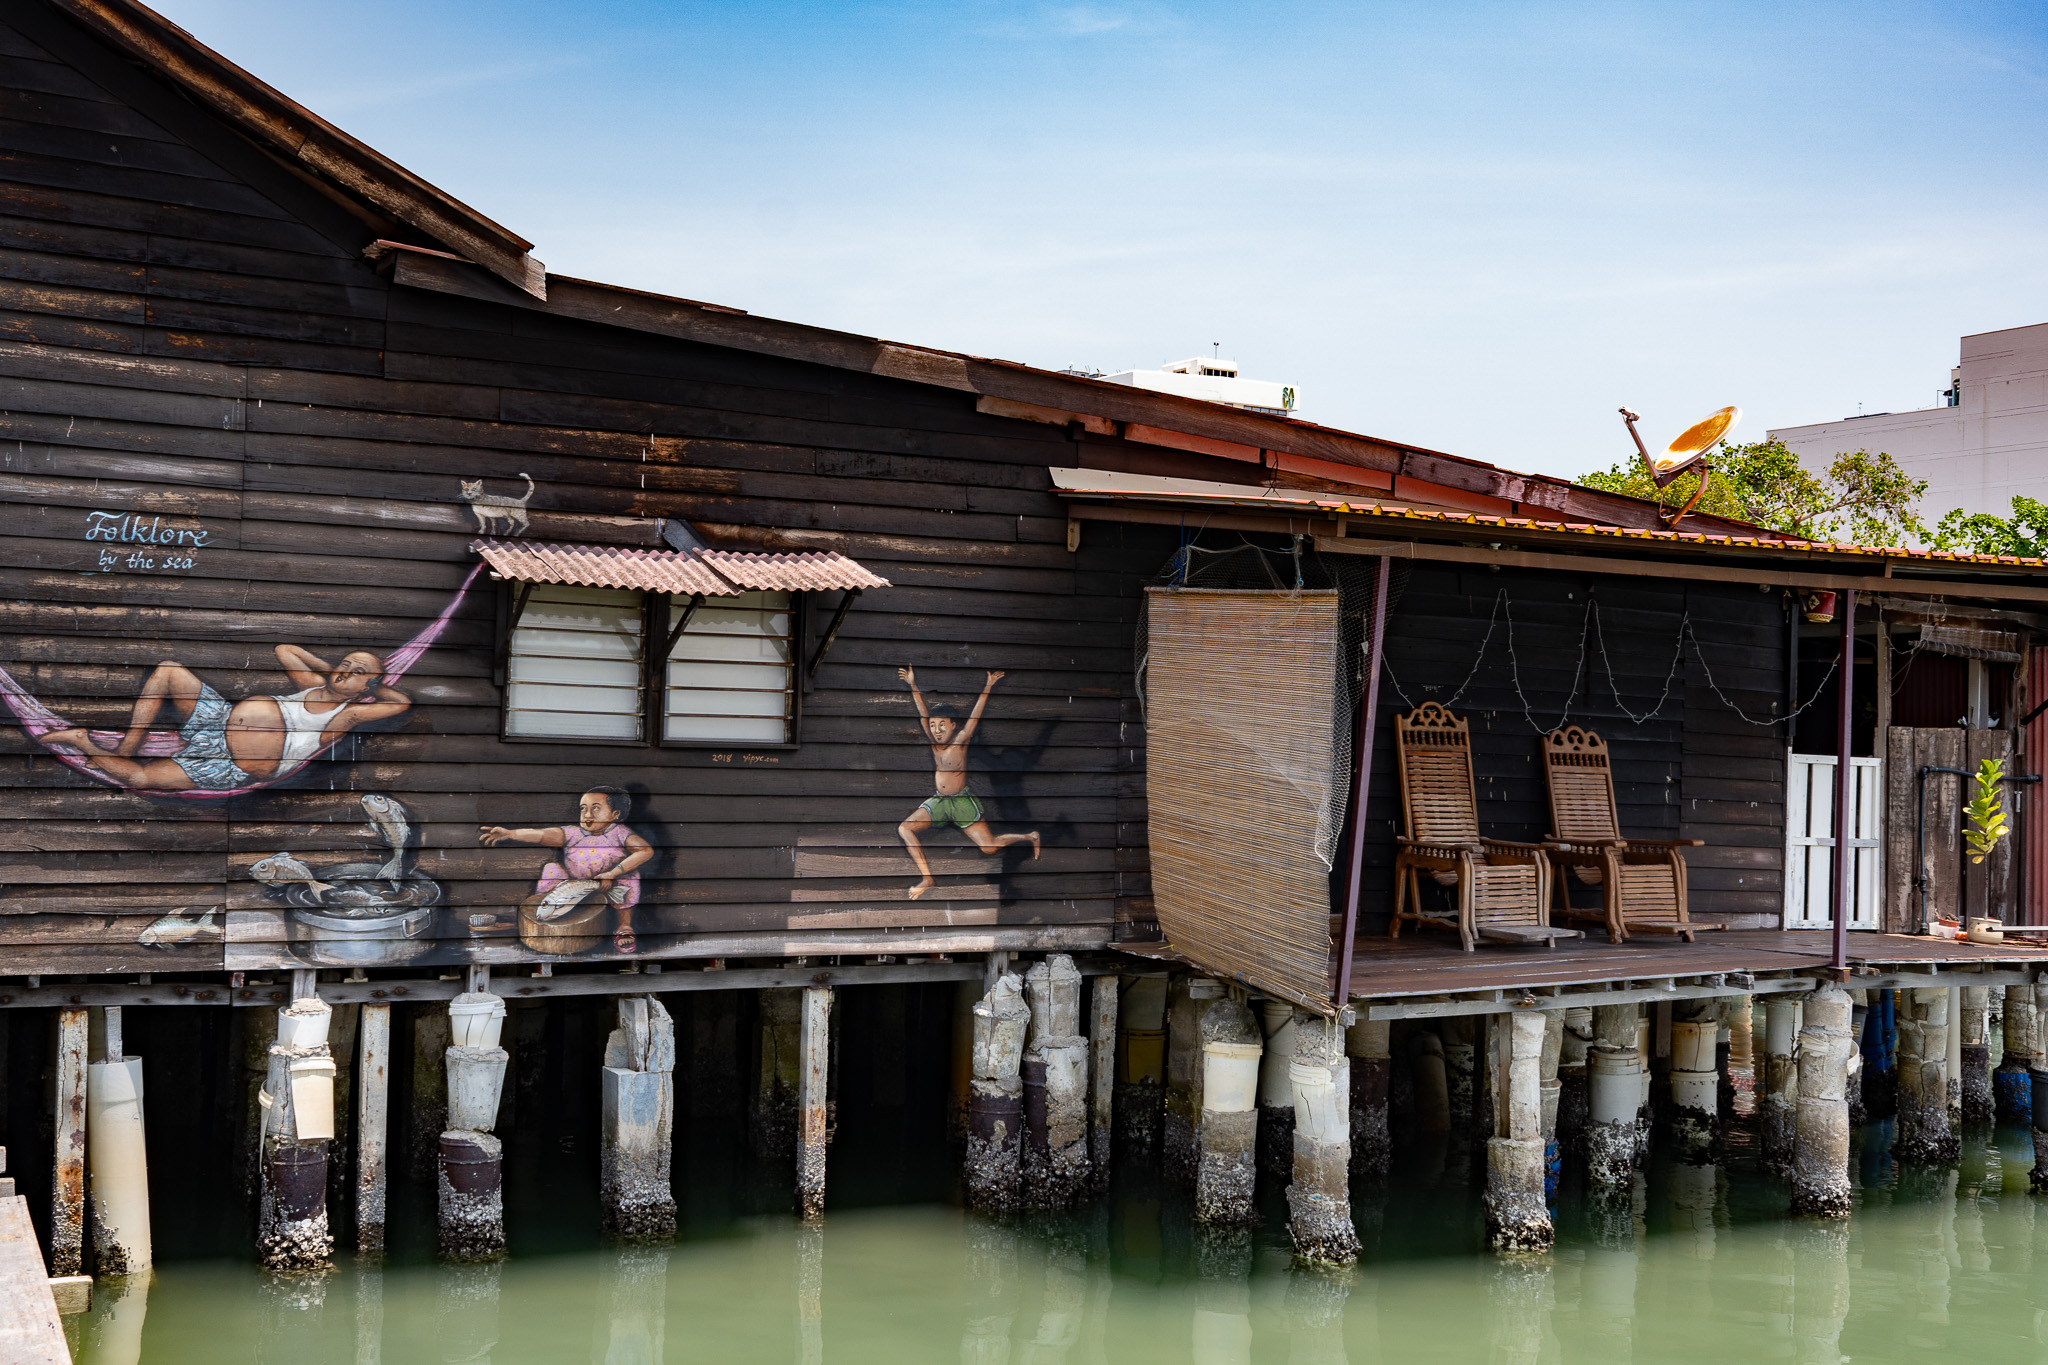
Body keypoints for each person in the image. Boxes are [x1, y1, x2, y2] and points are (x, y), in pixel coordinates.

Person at [41, 645, 410, 792]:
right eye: (346, 663)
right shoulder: (311, 684)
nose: (345, 670)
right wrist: (336, 669)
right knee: (169, 670)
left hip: (227, 764)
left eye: (356, 670)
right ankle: (130, 743)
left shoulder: (350, 712)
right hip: (216, 722)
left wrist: (369, 684)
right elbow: (287, 650)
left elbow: (400, 702)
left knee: (142, 778)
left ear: (368, 688)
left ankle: (82, 741)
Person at [896, 666, 1040, 900]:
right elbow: (922, 713)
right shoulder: (935, 744)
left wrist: (988, 686)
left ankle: (1029, 836)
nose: (937, 729)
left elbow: (975, 716)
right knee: (905, 828)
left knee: (989, 846)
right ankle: (927, 878)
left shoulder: (960, 740)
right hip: (940, 801)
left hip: (961, 802)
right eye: (933, 725)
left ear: (953, 725)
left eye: (942, 724)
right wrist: (913, 685)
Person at [480, 786, 653, 955]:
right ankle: (549, 908)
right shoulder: (572, 833)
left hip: (609, 884)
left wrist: (613, 873)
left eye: (595, 808)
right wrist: (511, 834)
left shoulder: (620, 833)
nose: (587, 814)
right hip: (573, 886)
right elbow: (540, 835)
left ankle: (624, 925)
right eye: (583, 809)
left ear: (615, 814)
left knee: (630, 877)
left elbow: (645, 850)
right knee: (552, 869)